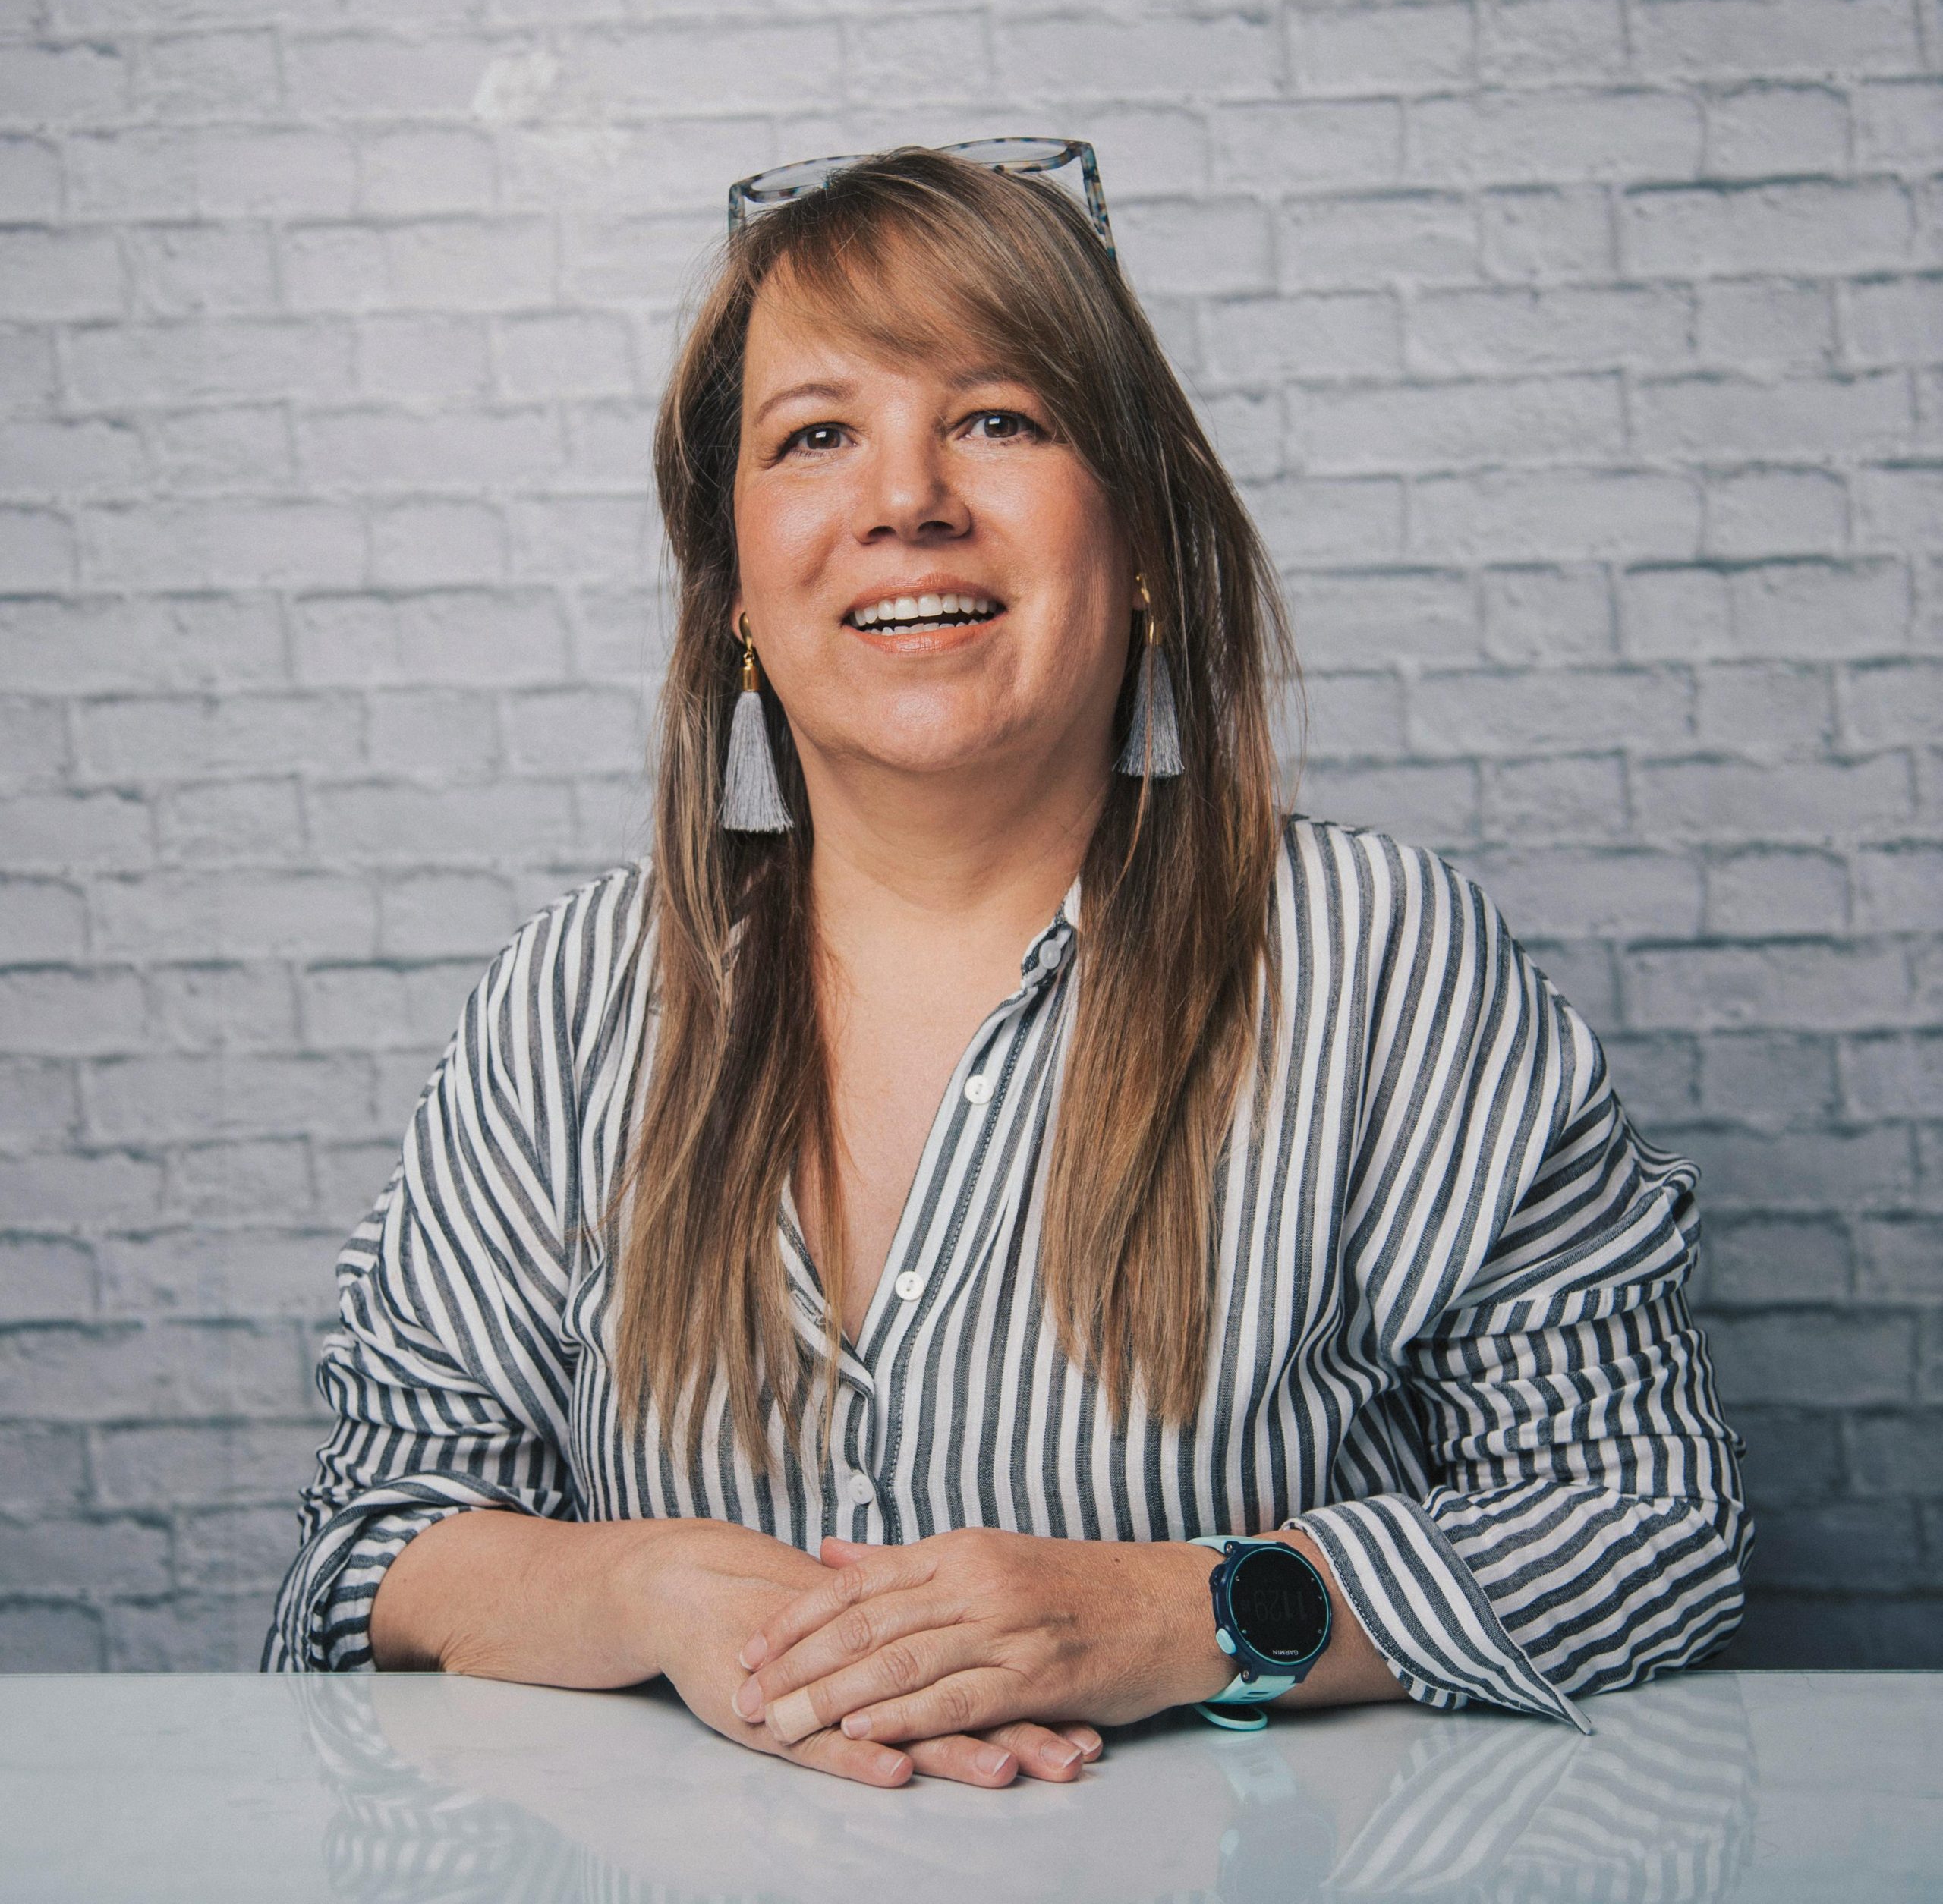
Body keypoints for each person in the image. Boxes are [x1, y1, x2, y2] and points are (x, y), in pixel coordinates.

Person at [265, 142, 1749, 1792]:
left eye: (999, 418)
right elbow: (359, 1560)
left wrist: (1180, 1610)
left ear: (1143, 538)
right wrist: (637, 1584)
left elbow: (1645, 1525)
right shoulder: (572, 999)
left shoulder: (1383, 964)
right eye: (816, 435)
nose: (905, 498)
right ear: (736, 589)